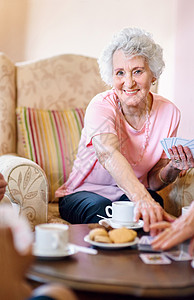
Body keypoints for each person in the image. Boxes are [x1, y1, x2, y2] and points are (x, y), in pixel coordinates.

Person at [56, 27, 194, 234]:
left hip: (128, 194)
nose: (128, 82)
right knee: (103, 210)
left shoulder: (169, 112)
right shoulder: (101, 105)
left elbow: (153, 182)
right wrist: (142, 199)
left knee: (153, 202)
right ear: (111, 77)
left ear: (153, 75)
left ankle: (146, 264)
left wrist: (173, 167)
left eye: (137, 71)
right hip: (82, 194)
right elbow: (107, 152)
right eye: (120, 73)